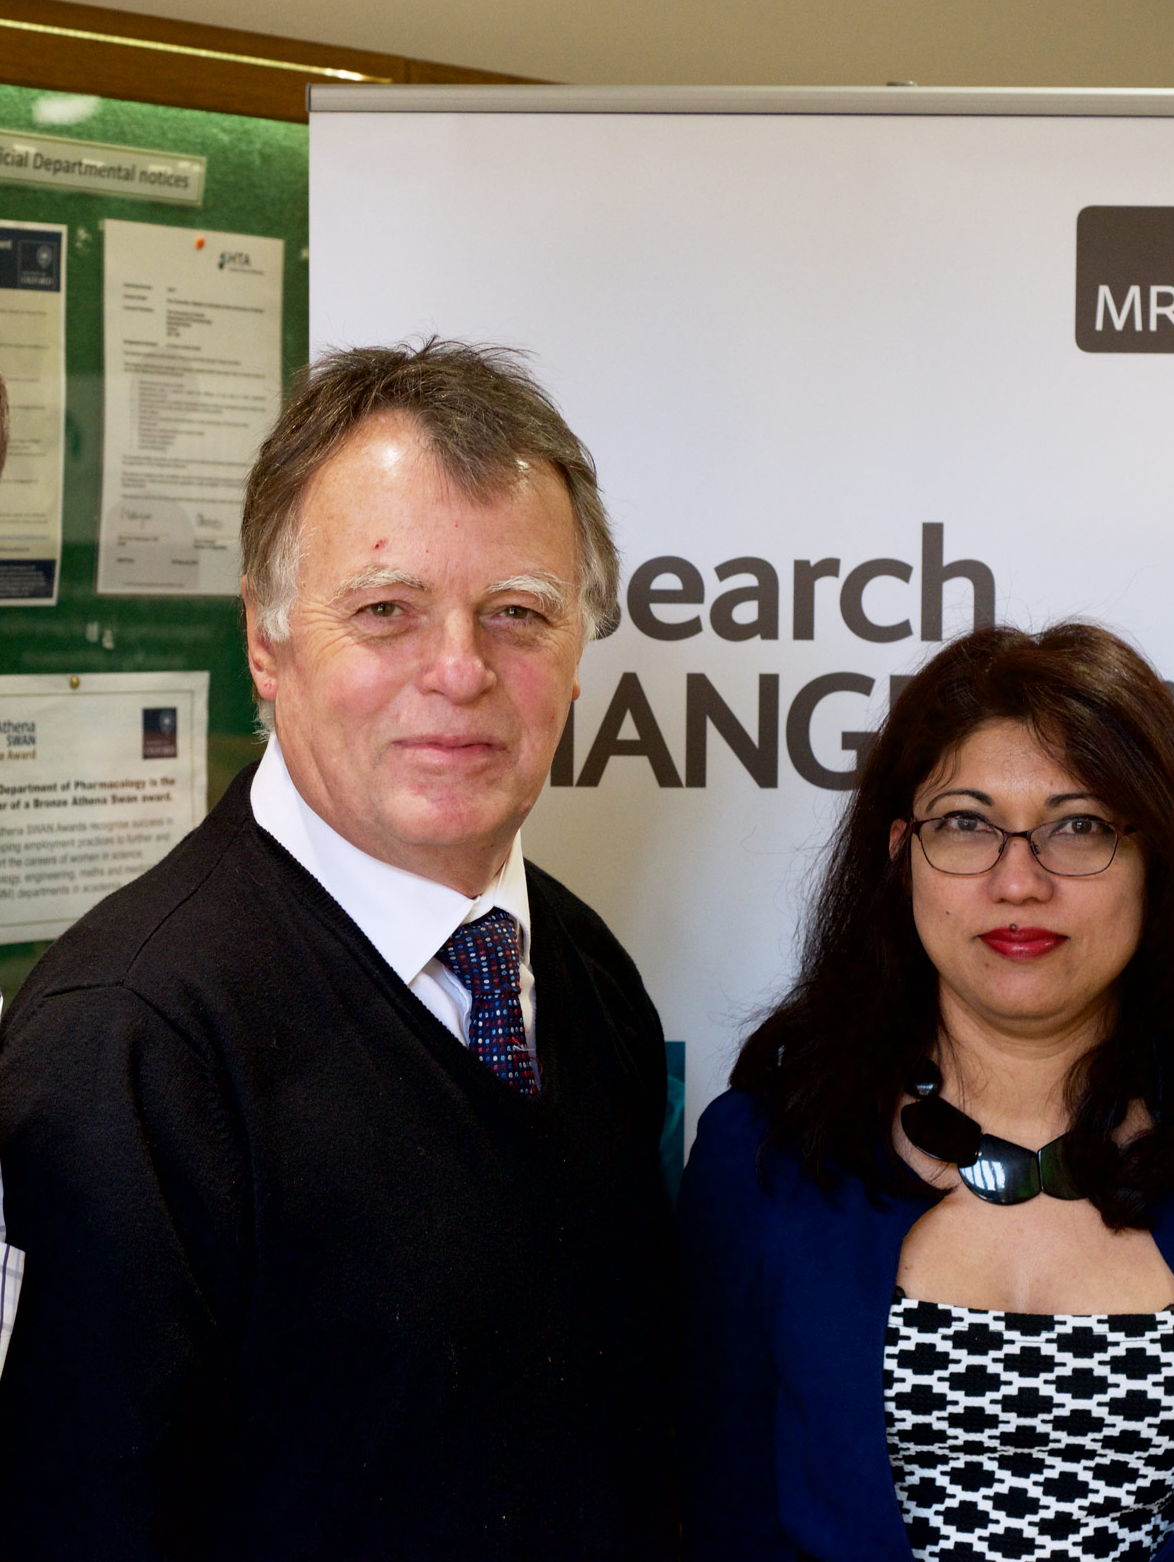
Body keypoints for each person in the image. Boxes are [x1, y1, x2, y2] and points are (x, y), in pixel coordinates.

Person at [0, 341, 678, 1559]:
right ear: (265, 648)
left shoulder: (585, 976)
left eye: (518, 612)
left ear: (578, 657)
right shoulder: (127, 1052)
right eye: (385, 610)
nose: (461, 670)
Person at [680, 622, 1174, 1562]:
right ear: (898, 850)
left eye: (1078, 827)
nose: (1018, 881)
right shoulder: (766, 1154)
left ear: (1155, 861)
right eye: (965, 823)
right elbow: (718, 1522)